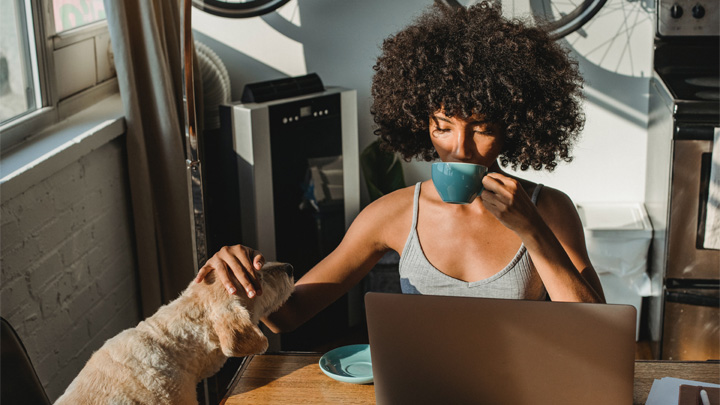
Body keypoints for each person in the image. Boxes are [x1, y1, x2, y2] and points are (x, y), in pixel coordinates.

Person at [195, 2, 605, 334]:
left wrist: (532, 230)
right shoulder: (391, 215)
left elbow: (597, 332)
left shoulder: (547, 209)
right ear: (421, 121)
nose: (458, 149)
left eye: (482, 129)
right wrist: (243, 273)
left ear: (514, 129)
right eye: (442, 127)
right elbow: (288, 315)